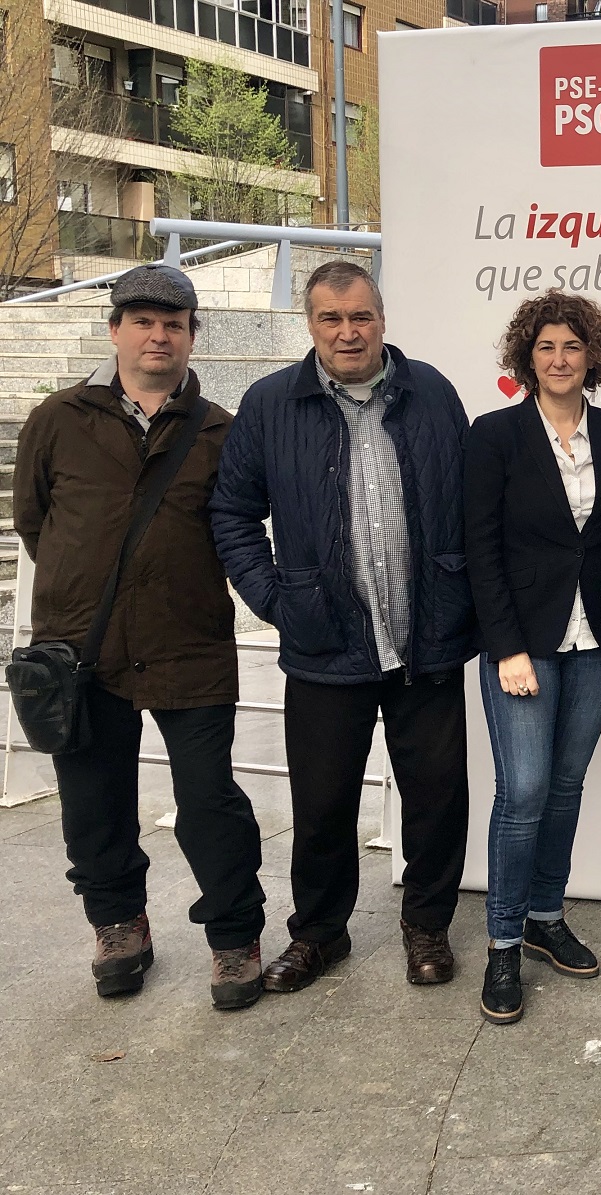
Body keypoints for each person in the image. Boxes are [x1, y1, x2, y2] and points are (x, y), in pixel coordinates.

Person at [211, 261, 477, 993]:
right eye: (331, 318)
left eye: (360, 315)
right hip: (324, 641)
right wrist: (275, 598)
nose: (348, 331)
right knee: (322, 801)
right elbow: (232, 512)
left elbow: (470, 501)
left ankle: (426, 926)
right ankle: (320, 933)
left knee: (435, 794)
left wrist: (465, 594)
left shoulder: (432, 392)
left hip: (428, 636)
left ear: (383, 318)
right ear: (311, 325)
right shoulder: (270, 404)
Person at [12, 263, 267, 1009]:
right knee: (94, 801)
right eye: (144, 320)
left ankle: (233, 935)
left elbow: (238, 528)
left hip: (189, 644)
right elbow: (35, 523)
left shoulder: (222, 430)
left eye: (175, 323)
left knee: (208, 799)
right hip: (81, 652)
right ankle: (118, 922)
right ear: (116, 328)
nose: (159, 335)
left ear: (193, 335)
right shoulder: (59, 418)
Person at [465, 292, 601, 1026]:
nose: (560, 358)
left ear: (592, 356)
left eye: (573, 346)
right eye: (545, 347)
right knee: (524, 790)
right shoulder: (495, 434)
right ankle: (503, 941)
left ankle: (544, 914)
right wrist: (505, 646)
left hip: (597, 641)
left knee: (565, 785)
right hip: (523, 644)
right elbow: (480, 549)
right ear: (525, 359)